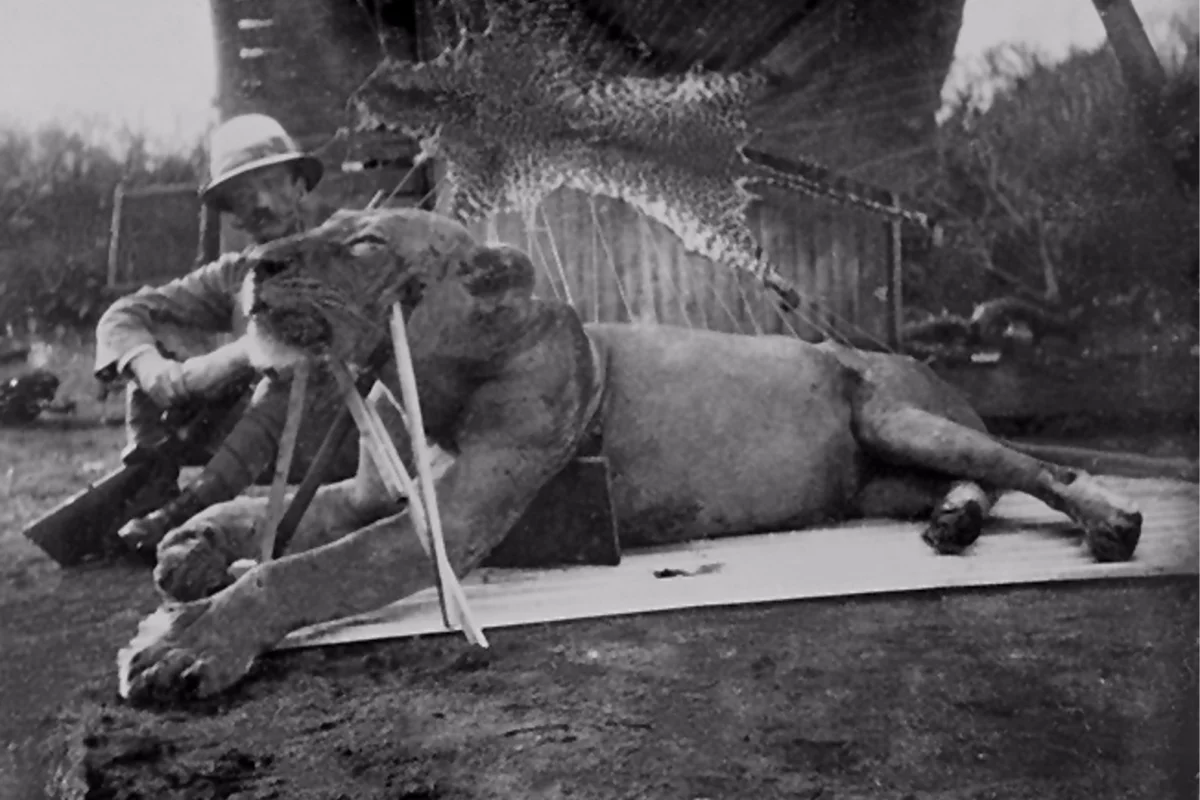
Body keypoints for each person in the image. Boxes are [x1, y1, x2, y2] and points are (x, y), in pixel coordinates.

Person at [94, 113, 359, 555]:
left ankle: (189, 509)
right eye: (241, 194)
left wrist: (227, 361)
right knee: (147, 347)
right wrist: (154, 369)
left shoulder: (345, 254)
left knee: (289, 368)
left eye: (273, 184)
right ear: (231, 213)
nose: (259, 203)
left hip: (342, 440)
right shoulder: (235, 274)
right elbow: (125, 314)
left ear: (299, 186)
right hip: (262, 449)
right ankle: (151, 484)